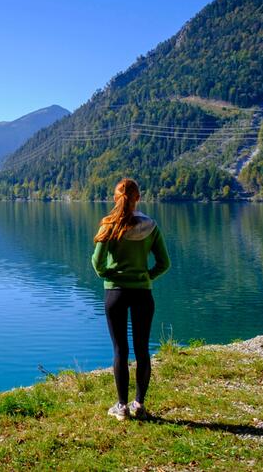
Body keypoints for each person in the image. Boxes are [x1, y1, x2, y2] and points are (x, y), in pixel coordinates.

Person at [91, 178, 170, 421]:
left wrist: (110, 275)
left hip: (115, 293)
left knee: (120, 350)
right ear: (138, 198)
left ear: (116, 199)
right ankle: (139, 405)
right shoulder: (151, 226)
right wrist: (146, 276)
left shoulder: (108, 225)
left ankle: (121, 407)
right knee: (142, 349)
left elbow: (97, 263)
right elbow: (164, 263)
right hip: (142, 294)